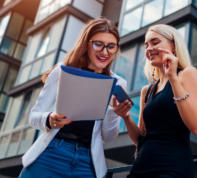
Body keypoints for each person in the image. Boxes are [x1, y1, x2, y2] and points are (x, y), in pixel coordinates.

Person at [19, 17, 130, 178]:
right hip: (50, 155)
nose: (105, 52)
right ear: (86, 44)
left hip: (86, 164)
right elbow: (33, 117)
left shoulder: (119, 83)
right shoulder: (62, 70)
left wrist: (114, 111)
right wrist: (49, 119)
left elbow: (108, 137)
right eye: (98, 44)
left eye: (111, 47)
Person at [113, 24, 197, 178]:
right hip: (141, 167)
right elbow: (140, 139)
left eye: (155, 43)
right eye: (146, 45)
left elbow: (196, 126)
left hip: (172, 166)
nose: (149, 48)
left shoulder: (188, 74)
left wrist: (173, 79)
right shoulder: (147, 91)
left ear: (174, 46)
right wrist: (126, 116)